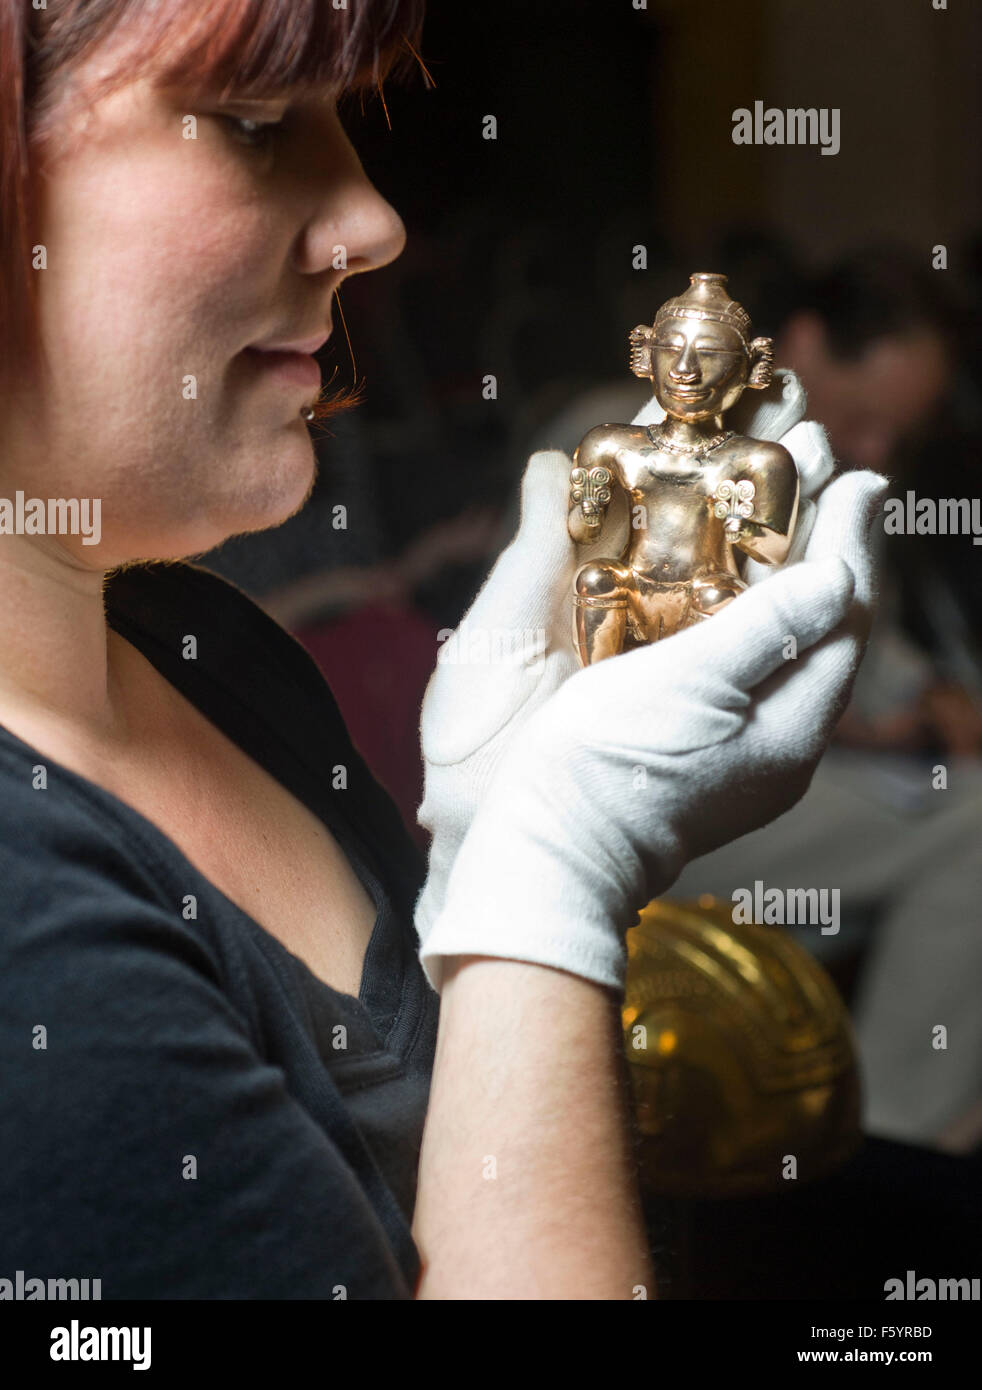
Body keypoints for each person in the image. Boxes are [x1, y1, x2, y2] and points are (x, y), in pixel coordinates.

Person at [0, 0, 884, 1300]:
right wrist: (548, 879)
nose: (372, 224)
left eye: (341, 125)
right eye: (253, 125)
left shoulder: (200, 645)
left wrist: (482, 848)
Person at [666, 250, 982, 1150]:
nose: (878, 452)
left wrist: (931, 692)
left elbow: (875, 652)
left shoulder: (830, 472)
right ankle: (894, 1148)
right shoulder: (672, 449)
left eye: (898, 435)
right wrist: (861, 722)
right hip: (664, 814)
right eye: (868, 420)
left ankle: (919, 1123)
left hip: (791, 797)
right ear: (804, 344)